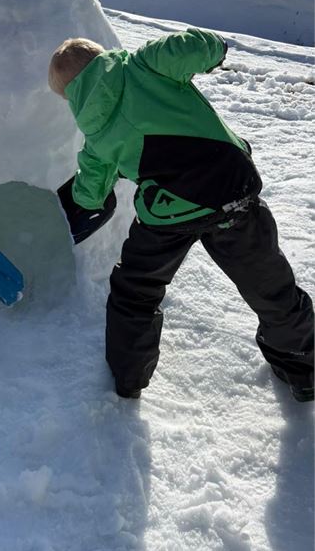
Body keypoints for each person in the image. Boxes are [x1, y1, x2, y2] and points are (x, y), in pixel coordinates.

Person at [49, 27, 314, 402]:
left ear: (70, 96)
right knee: (271, 287)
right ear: (103, 56)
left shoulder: (95, 138)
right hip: (230, 194)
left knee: (135, 293)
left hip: (166, 215)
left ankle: (128, 379)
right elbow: (198, 47)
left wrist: (86, 189)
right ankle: (304, 371)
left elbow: (89, 197)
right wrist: (215, 49)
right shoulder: (147, 64)